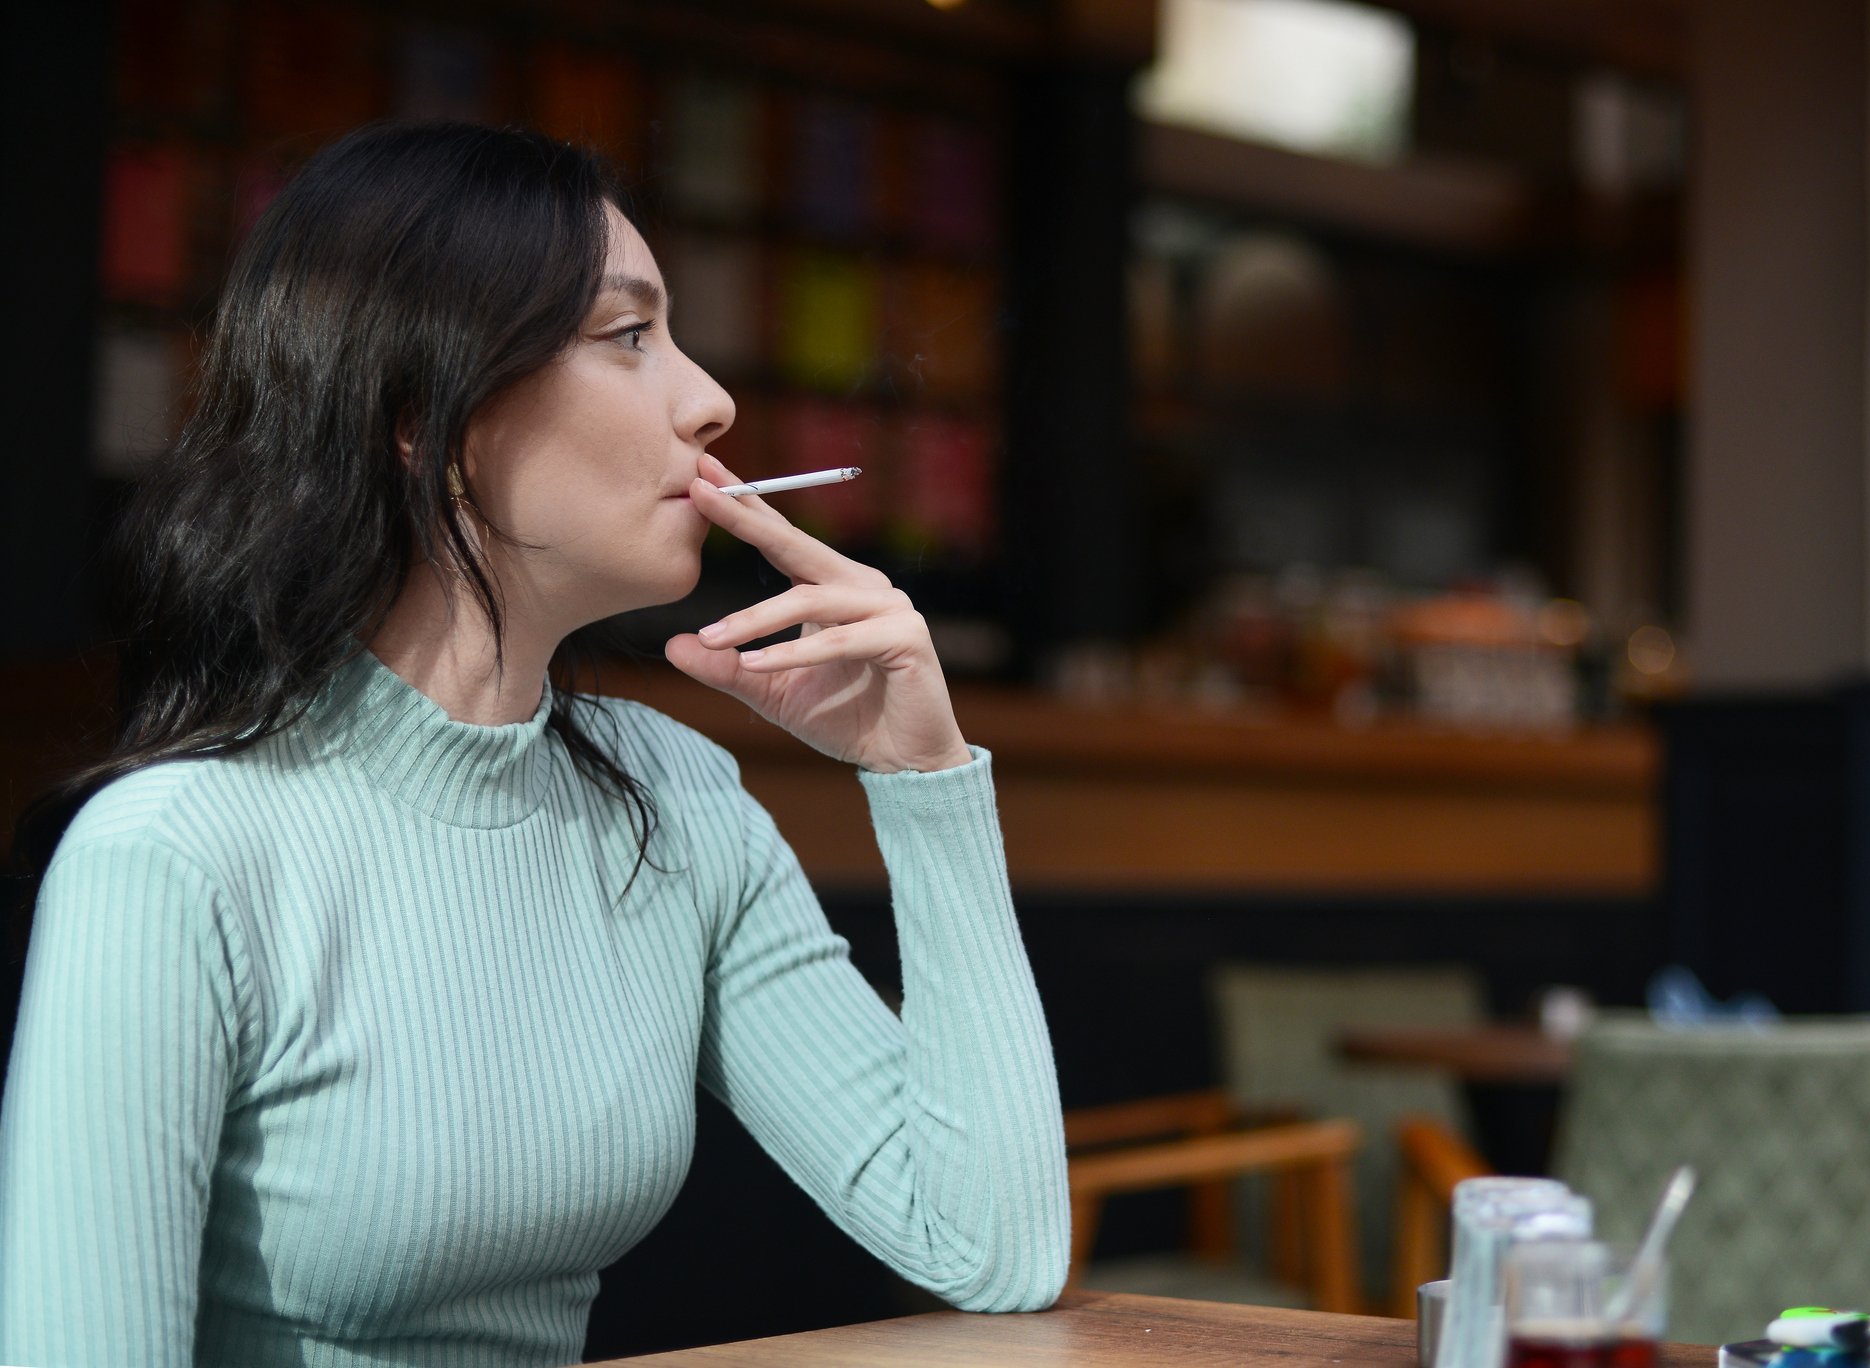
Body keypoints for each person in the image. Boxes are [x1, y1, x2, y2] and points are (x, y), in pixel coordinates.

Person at [0, 121, 1069, 1367]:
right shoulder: (175, 859)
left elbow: (988, 1247)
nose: (711, 398)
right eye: (628, 336)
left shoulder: (673, 801)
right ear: (420, 411)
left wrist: (925, 783)